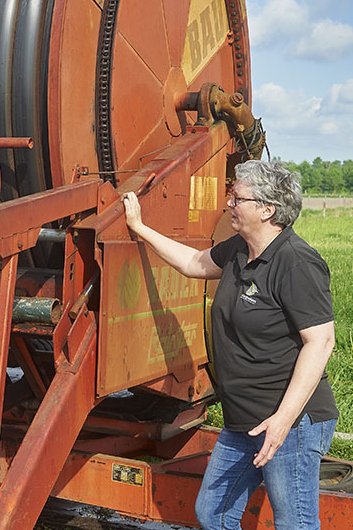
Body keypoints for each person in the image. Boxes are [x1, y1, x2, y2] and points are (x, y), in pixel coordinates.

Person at [122, 159, 337, 530]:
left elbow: (320, 342)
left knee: (294, 524)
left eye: (237, 198)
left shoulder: (295, 261)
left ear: (267, 209)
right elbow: (192, 262)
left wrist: (282, 422)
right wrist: (139, 227)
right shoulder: (240, 249)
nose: (228, 205)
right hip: (242, 419)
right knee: (214, 513)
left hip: (289, 422)